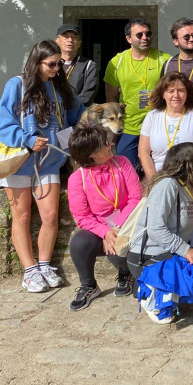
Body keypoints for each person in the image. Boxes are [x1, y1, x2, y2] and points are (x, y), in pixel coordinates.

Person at [0, 40, 84, 292]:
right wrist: (28, 139)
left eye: (60, 64)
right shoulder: (18, 85)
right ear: (37, 62)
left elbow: (79, 120)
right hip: (20, 162)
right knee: (21, 217)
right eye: (52, 64)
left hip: (49, 162)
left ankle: (44, 265)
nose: (57, 68)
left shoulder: (63, 89)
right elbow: (2, 123)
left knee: (50, 216)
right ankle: (30, 270)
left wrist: (62, 143)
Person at [127, 142, 193, 324]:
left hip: (169, 253)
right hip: (148, 256)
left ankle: (163, 288)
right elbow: (155, 229)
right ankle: (154, 294)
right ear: (189, 162)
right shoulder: (167, 185)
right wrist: (186, 250)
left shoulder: (189, 185)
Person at [66, 125, 142, 311]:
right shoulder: (77, 178)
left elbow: (135, 197)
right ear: (92, 154)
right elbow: (82, 217)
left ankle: (126, 274)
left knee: (118, 252)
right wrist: (106, 232)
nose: (110, 145)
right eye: (105, 144)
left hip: (127, 223)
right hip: (99, 227)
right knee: (79, 243)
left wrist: (117, 227)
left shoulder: (122, 163)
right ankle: (89, 285)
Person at [104, 19, 170, 169]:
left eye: (148, 34)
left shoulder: (164, 60)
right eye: (139, 35)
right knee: (129, 172)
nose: (145, 38)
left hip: (159, 127)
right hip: (128, 128)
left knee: (159, 172)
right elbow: (111, 100)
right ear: (129, 39)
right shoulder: (117, 62)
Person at [138, 73, 193, 181]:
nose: (176, 95)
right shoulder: (152, 116)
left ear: (187, 93)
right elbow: (143, 152)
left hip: (191, 178)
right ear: (163, 94)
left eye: (181, 90)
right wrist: (154, 181)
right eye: (171, 91)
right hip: (159, 177)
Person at [55, 24, 98, 105]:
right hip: (54, 112)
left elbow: (87, 95)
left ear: (79, 43)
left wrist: (70, 108)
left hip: (78, 113)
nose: (70, 40)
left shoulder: (89, 65)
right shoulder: (51, 65)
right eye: (65, 36)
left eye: (74, 37)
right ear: (57, 41)